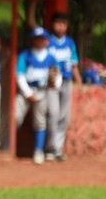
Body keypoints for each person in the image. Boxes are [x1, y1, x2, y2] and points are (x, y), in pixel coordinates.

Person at [15, 27, 59, 165]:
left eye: (42, 39)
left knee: (40, 121)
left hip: (42, 90)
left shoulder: (51, 57)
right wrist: (27, 93)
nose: (40, 41)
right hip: (26, 90)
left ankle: (38, 151)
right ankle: (8, 147)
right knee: (16, 117)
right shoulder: (25, 55)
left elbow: (57, 75)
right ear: (32, 40)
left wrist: (55, 83)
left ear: (47, 41)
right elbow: (20, 75)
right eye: (37, 39)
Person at [45, 12, 81, 161]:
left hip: (66, 81)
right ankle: (50, 148)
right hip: (52, 82)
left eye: (63, 24)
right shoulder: (47, 41)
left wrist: (79, 81)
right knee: (53, 114)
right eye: (57, 23)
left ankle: (58, 149)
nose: (60, 27)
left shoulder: (70, 43)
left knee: (64, 117)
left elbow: (74, 65)